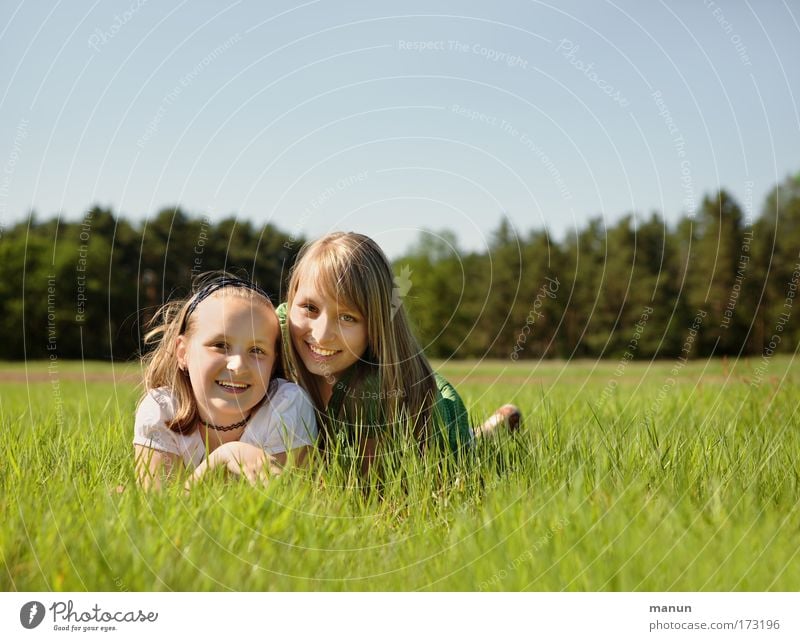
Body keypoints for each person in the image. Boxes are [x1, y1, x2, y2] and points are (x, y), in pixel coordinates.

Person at [277, 232, 520, 471]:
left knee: (469, 447)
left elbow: (369, 489)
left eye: (347, 317)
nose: (321, 334)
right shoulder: (275, 332)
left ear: (376, 325)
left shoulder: (374, 390)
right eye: (310, 307)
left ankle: (487, 432)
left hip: (440, 424)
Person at [133, 274, 318, 490]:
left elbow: (283, 504)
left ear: (273, 361)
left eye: (257, 350)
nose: (238, 365)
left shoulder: (286, 406)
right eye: (220, 345)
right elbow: (159, 510)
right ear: (183, 353)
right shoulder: (162, 410)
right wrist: (222, 458)